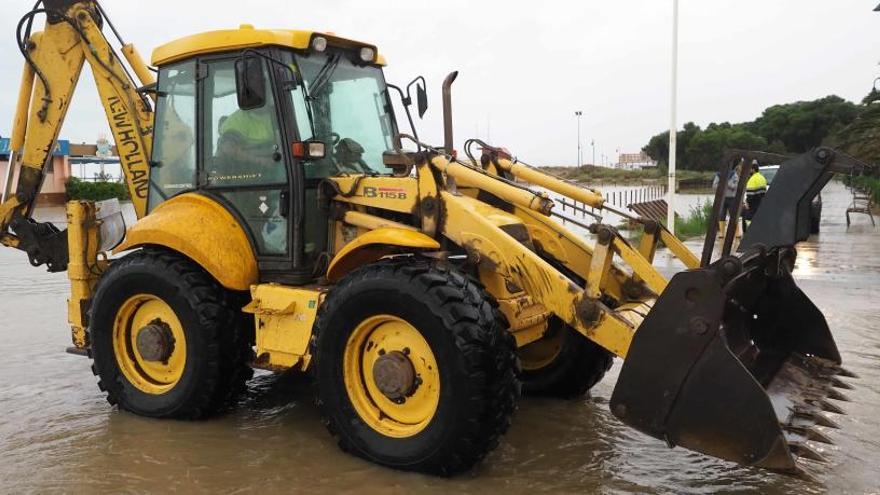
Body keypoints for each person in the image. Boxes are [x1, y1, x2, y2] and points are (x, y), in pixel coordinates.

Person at [712, 163, 740, 237]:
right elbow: (714, 186)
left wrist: (726, 183)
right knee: (722, 215)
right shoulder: (718, 175)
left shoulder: (734, 175)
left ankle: (737, 232)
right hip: (722, 198)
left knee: (733, 215)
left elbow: (735, 186)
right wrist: (723, 184)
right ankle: (721, 233)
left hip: (731, 198)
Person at [741, 161, 768, 233]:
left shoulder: (752, 179)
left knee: (746, 218)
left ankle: (749, 234)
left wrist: (746, 203)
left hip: (753, 205)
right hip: (760, 203)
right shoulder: (762, 178)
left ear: (753, 169)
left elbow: (750, 195)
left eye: (749, 169)